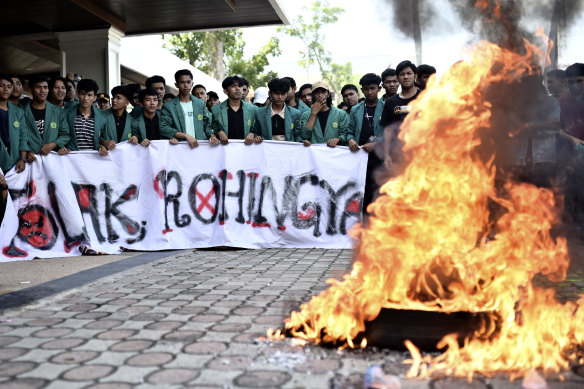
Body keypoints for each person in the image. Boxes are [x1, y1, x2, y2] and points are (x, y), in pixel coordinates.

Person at [347, 73, 385, 212]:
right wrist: (350, 140)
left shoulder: (386, 107)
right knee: (359, 192)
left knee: (376, 192)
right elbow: (350, 130)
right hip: (359, 157)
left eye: (373, 88)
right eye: (366, 89)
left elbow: (390, 133)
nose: (369, 92)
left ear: (379, 88)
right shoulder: (355, 109)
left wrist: (377, 144)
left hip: (379, 158)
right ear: (362, 90)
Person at [381, 60, 420, 172]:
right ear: (398, 78)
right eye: (402, 74)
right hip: (398, 154)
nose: (406, 77)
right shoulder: (391, 102)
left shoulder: (425, 97)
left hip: (422, 152)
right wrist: (386, 155)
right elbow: (387, 130)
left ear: (415, 76)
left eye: (409, 73)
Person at [22, 75, 70, 162]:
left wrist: (52, 145)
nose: (42, 90)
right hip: (31, 160)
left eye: (45, 87)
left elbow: (65, 135)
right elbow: (20, 137)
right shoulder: (22, 111)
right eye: (38, 87)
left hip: (53, 159)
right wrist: (27, 153)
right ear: (31, 89)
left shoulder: (58, 111)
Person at [160, 69, 212, 147]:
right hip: (179, 147)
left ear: (192, 84)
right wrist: (185, 135)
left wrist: (212, 136)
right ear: (176, 85)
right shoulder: (168, 106)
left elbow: (207, 125)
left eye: (188, 82)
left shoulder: (200, 103)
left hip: (200, 146)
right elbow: (163, 127)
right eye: (182, 82)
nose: (186, 85)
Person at [59, 78, 110, 156]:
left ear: (95, 97)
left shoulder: (102, 116)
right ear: (77, 93)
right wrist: (61, 147)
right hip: (72, 159)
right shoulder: (67, 113)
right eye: (83, 94)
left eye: (89, 95)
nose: (85, 98)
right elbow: (62, 134)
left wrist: (101, 145)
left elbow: (101, 138)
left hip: (93, 159)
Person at [299, 80, 349, 147]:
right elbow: (304, 135)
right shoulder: (306, 115)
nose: (320, 95)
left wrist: (338, 139)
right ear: (313, 95)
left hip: (333, 153)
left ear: (328, 94)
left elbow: (346, 134)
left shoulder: (341, 114)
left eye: (323, 92)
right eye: (316, 92)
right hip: (314, 154)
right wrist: (313, 113)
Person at [210, 76, 257, 145]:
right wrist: (219, 132)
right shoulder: (216, 109)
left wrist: (252, 133)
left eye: (240, 86)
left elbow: (257, 126)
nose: (238, 88)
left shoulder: (252, 108)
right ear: (225, 91)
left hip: (246, 148)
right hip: (224, 148)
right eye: (233, 86)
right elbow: (211, 127)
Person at [252, 78, 300, 142]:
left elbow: (297, 135)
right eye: (277, 93)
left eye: (283, 94)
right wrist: (256, 137)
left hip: (288, 150)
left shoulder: (295, 113)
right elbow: (255, 132)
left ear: (286, 94)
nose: (280, 97)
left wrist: (301, 142)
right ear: (270, 93)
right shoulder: (260, 113)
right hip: (267, 150)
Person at [0, 75, 28, 175]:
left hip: (14, 161)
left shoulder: (18, 111)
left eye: (8, 86)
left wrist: (23, 159)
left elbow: (23, 137)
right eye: (2, 86)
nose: (5, 89)